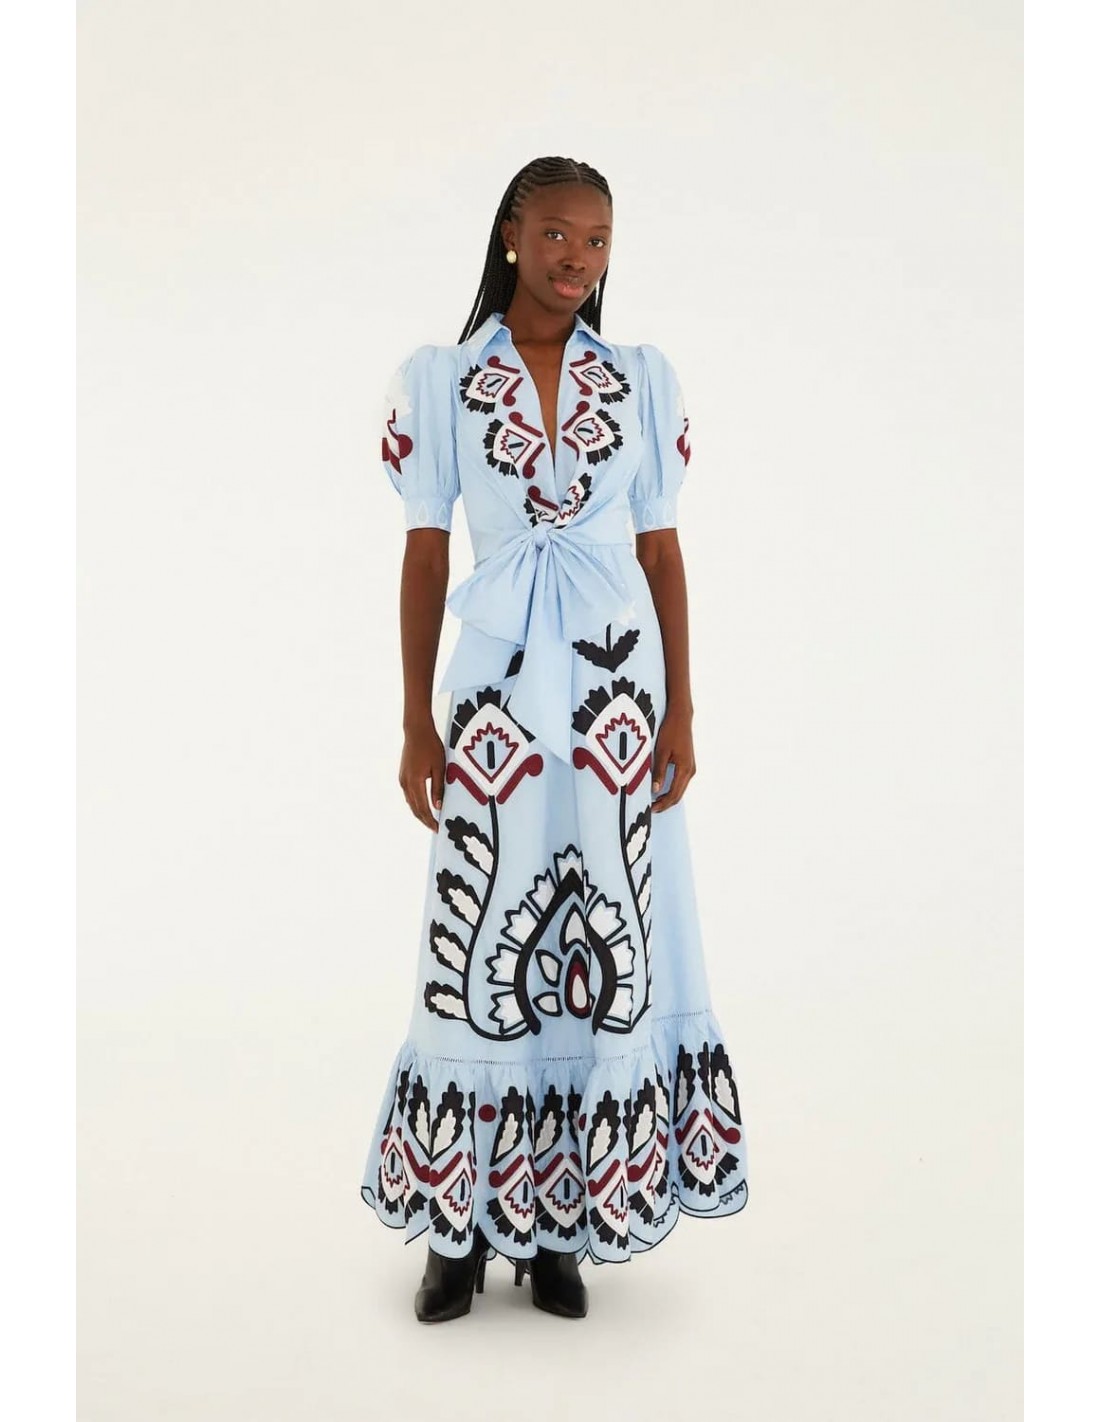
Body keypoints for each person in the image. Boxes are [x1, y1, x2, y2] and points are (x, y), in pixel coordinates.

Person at [360, 155, 748, 1323]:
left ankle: (559, 1229)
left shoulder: (637, 380)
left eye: (597, 239)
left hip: (616, 693)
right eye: (557, 234)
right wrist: (414, 719)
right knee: (479, 927)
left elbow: (661, 551)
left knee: (602, 928)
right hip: (495, 697)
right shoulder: (441, 382)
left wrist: (680, 708)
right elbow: (425, 552)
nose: (577, 257)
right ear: (510, 236)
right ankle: (460, 1231)